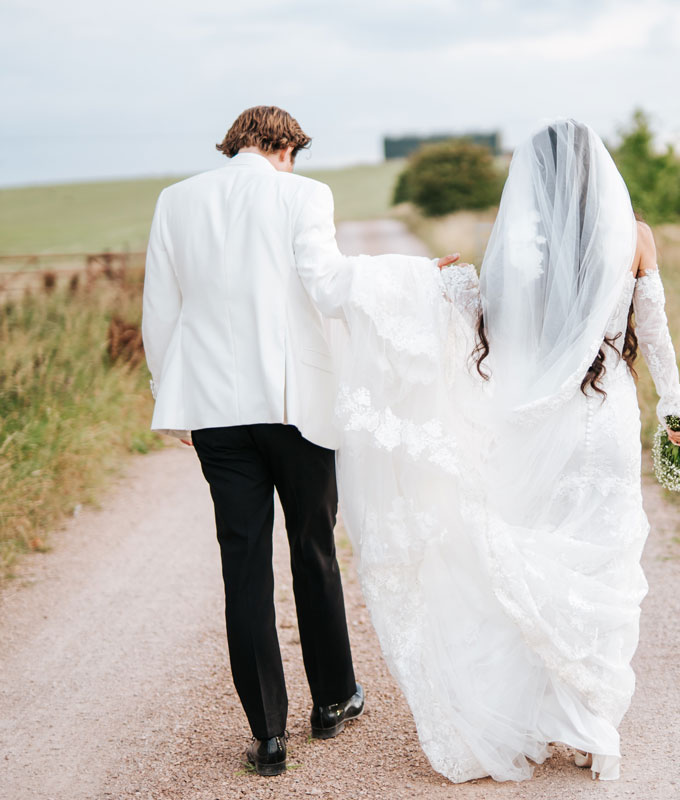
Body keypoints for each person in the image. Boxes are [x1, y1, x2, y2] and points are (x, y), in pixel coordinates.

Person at [333, 118, 680, 782]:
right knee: (604, 566)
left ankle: (551, 712)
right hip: (607, 415)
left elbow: (494, 324)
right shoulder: (637, 238)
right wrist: (677, 408)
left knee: (543, 557)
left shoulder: (529, 248)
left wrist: (449, 288)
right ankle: (592, 726)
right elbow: (656, 330)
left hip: (543, 426)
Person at [141, 105, 455, 776]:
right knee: (313, 548)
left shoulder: (176, 202)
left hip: (216, 412)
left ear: (237, 144)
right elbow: (332, 285)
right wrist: (416, 276)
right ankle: (334, 699)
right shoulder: (304, 194)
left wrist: (175, 402)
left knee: (243, 566)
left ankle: (268, 734)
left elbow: (160, 310)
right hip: (297, 410)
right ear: (284, 146)